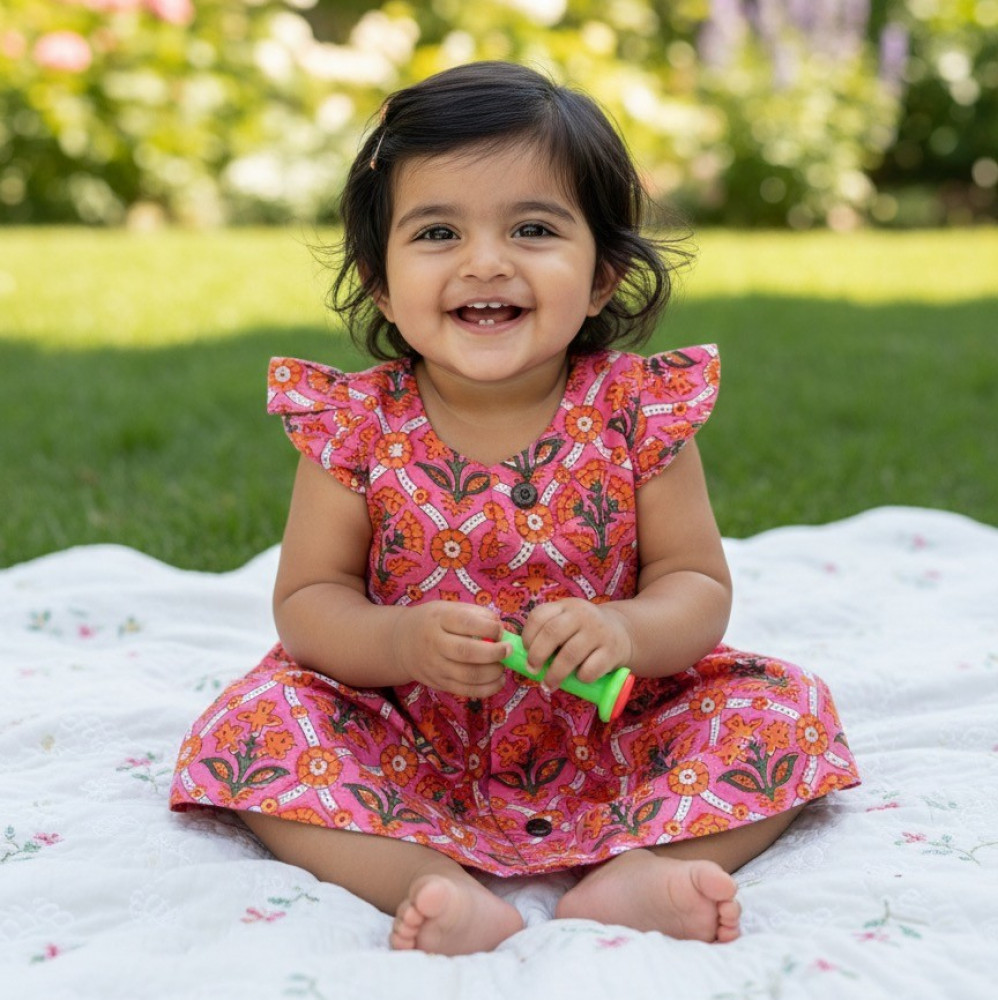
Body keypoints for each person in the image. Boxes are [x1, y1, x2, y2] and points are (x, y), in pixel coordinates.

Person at [170, 61, 860, 956]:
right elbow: (308, 603)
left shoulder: (637, 410)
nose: (484, 262)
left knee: (788, 712)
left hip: (615, 728)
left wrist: (627, 630)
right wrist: (399, 643)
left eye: (533, 228)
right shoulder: (356, 426)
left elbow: (695, 581)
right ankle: (426, 880)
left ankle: (645, 865)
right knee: (254, 726)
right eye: (438, 232)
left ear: (605, 274)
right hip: (411, 734)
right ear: (381, 283)